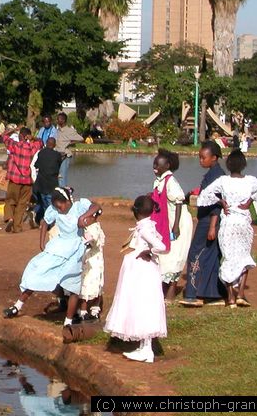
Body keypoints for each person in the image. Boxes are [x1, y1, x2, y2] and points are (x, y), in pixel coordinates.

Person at [3, 187, 102, 327]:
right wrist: (42, 242)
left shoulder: (79, 207)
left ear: (67, 201)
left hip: (75, 248)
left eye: (60, 205)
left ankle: (68, 321)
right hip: (59, 246)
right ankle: (18, 306)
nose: (59, 208)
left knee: (73, 283)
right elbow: (45, 223)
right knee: (38, 270)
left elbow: (96, 206)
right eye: (56, 206)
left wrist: (83, 217)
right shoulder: (54, 210)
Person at [197, 150, 257, 307]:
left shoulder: (223, 181)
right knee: (244, 257)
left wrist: (221, 202)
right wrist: (251, 200)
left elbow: (204, 195)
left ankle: (230, 297)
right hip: (243, 224)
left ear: (228, 165)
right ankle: (241, 294)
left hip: (229, 224)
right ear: (243, 165)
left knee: (229, 258)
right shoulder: (251, 181)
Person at [103, 195, 167, 364]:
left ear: (136, 212)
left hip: (142, 272)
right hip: (142, 270)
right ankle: (144, 346)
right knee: (141, 304)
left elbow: (162, 246)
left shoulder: (145, 229)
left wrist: (149, 252)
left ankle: (146, 350)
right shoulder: (147, 226)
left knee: (141, 303)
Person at [180, 141, 227, 307]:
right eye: (199, 157)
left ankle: (192, 294)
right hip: (207, 220)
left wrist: (213, 226)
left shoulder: (217, 176)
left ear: (214, 158)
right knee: (211, 256)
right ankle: (214, 293)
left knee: (196, 253)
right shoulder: (213, 173)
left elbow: (217, 203)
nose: (200, 160)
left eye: (203, 157)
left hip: (210, 221)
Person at [151, 149, 193, 302]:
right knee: (164, 255)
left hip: (178, 223)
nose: (155, 166)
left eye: (158, 164)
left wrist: (175, 226)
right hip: (166, 223)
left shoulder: (171, 182)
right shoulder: (159, 181)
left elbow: (179, 202)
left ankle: (171, 292)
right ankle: (163, 288)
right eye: (154, 163)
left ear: (167, 165)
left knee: (174, 256)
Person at [2, 127, 43, 233]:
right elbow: (41, 142)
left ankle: (10, 218)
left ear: (20, 136)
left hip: (15, 179)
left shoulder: (14, 145)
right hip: (27, 181)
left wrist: (14, 129)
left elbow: (4, 136)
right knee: (22, 204)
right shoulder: (31, 147)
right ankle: (17, 227)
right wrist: (31, 137)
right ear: (27, 137)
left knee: (10, 201)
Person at [77, 209, 106, 321]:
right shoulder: (86, 227)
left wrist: (86, 241)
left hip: (94, 262)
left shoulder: (95, 228)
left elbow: (93, 241)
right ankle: (83, 311)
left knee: (94, 283)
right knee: (85, 284)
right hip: (87, 262)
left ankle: (94, 310)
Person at [31, 137, 63, 224]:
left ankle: (41, 218)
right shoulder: (57, 155)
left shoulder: (41, 153)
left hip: (41, 183)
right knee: (50, 204)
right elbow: (58, 167)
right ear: (54, 145)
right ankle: (50, 223)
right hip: (51, 184)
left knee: (43, 202)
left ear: (46, 143)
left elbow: (36, 165)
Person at [54, 113, 83, 187]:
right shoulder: (58, 130)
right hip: (57, 155)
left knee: (62, 176)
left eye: (58, 119)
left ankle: (63, 194)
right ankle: (58, 193)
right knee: (57, 176)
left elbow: (81, 139)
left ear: (63, 120)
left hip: (65, 155)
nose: (57, 120)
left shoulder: (69, 130)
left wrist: (70, 143)